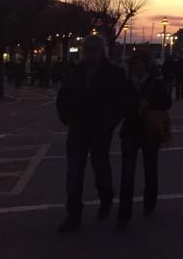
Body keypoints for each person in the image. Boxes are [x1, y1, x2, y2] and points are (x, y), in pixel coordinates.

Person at [55, 34, 126, 232]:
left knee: (100, 166)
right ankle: (73, 214)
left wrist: (111, 122)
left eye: (93, 50)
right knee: (74, 171)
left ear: (101, 52)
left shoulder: (114, 73)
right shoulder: (75, 72)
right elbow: (63, 97)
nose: (89, 54)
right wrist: (66, 118)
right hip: (77, 126)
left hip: (100, 127)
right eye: (87, 50)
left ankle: (105, 198)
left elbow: (121, 101)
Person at [116, 52, 172, 228]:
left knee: (150, 169)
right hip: (132, 130)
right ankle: (124, 213)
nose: (138, 67)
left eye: (141, 64)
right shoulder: (126, 83)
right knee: (127, 173)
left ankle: (149, 202)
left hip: (149, 130)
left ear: (147, 66)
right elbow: (120, 105)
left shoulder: (155, 83)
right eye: (136, 64)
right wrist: (134, 107)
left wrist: (149, 103)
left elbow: (166, 102)